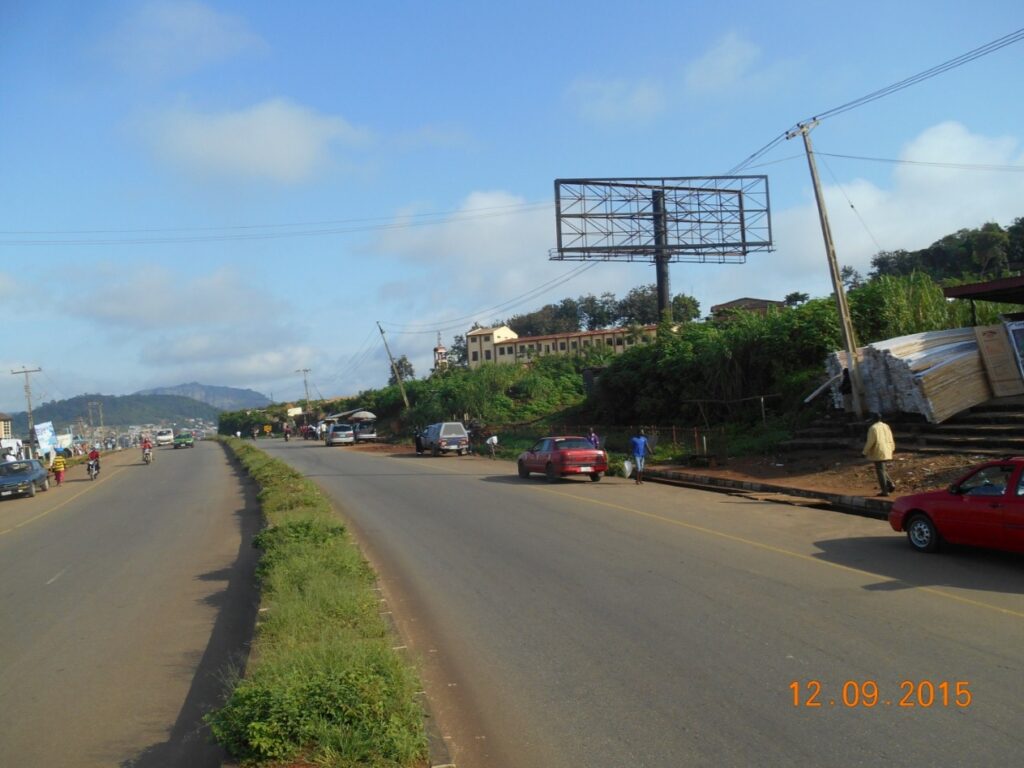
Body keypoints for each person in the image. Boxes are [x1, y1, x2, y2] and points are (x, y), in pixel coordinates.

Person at [863, 412, 896, 496]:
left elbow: (870, 442)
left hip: (878, 450)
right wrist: (892, 447)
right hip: (887, 449)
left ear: (873, 419)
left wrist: (864, 452)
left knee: (880, 471)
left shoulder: (873, 428)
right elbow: (890, 437)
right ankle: (890, 484)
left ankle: (885, 490)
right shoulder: (886, 426)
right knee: (881, 469)